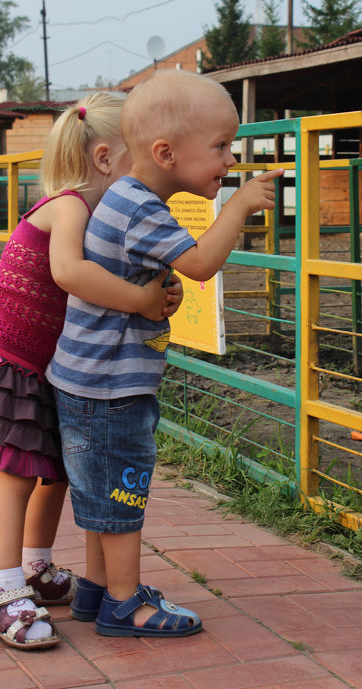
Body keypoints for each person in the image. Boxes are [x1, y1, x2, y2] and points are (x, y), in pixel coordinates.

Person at [0, 92, 182, 650]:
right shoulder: (69, 206)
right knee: (17, 475)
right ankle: (2, 589)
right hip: (12, 362)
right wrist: (139, 301)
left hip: (55, 368)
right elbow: (68, 272)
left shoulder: (109, 217)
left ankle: (37, 568)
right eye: (139, 160)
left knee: (56, 472)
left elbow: (123, 282)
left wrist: (158, 293)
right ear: (104, 159)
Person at [47, 71, 284, 639]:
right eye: (221, 147)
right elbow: (201, 264)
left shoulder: (130, 199)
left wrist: (158, 297)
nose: (229, 161)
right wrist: (240, 207)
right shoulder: (141, 208)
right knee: (124, 490)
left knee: (104, 493)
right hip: (110, 388)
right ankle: (125, 606)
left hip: (90, 382)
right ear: (165, 152)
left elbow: (148, 280)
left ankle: (99, 592)